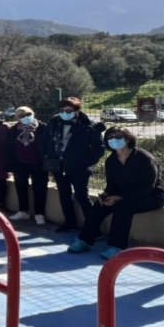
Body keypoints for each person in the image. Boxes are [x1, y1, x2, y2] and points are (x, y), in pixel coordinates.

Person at [67, 128, 164, 259]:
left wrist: (119, 197)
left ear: (128, 138)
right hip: (125, 195)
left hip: (152, 195)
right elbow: (112, 184)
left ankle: (117, 247)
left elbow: (147, 186)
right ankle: (84, 240)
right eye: (110, 138)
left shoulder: (144, 158)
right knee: (100, 205)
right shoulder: (111, 161)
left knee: (123, 207)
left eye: (118, 137)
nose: (114, 140)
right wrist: (106, 195)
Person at [40, 97, 105, 233]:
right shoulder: (54, 122)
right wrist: (47, 159)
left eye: (68, 110)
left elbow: (99, 148)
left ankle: (93, 229)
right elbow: (44, 142)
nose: (65, 113)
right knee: (64, 196)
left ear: (77, 111)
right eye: (62, 110)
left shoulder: (89, 126)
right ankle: (70, 223)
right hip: (58, 167)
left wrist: (85, 163)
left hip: (80, 168)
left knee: (82, 197)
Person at [4, 107, 49, 225]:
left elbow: (48, 145)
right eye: (21, 116)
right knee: (21, 187)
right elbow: (9, 148)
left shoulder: (43, 128)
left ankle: (39, 214)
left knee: (40, 188)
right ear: (17, 118)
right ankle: (23, 211)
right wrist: (10, 166)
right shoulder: (13, 130)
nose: (26, 117)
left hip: (39, 163)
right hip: (20, 163)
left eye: (28, 114)